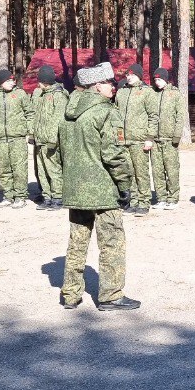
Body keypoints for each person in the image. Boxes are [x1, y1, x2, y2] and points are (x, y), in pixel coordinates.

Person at [58, 62, 138, 311]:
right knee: (111, 242)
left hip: (76, 189)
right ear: (96, 86)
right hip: (103, 191)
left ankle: (70, 294)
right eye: (108, 83)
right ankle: (111, 296)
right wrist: (125, 185)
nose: (113, 86)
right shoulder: (105, 112)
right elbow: (114, 155)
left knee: (77, 242)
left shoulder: (68, 113)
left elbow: (61, 152)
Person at [0, 68, 34, 209]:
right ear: (1, 82)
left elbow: (30, 113)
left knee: (19, 169)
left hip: (17, 139)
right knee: (3, 169)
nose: (12, 83)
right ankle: (8, 196)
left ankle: (20, 197)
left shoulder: (20, 94)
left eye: (13, 80)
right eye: (9, 80)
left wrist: (31, 132)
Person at [113, 63, 159, 217]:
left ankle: (144, 202)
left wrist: (149, 138)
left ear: (139, 76)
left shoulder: (147, 92)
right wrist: (118, 137)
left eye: (132, 75)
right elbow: (116, 116)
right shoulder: (121, 92)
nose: (129, 77)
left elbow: (153, 116)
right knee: (128, 173)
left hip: (140, 140)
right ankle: (133, 202)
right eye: (127, 75)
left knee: (141, 173)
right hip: (124, 140)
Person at [31, 66, 68, 210]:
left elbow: (57, 119)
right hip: (40, 140)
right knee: (42, 171)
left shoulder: (59, 95)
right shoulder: (41, 95)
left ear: (45, 81)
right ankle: (47, 197)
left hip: (51, 141)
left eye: (39, 81)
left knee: (54, 170)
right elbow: (35, 116)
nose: (38, 84)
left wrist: (53, 140)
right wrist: (33, 134)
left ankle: (58, 197)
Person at [150, 68, 185, 211]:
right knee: (157, 170)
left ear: (166, 79)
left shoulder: (175, 94)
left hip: (169, 139)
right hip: (155, 139)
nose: (157, 82)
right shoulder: (152, 94)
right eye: (155, 80)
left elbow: (180, 116)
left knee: (171, 170)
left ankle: (173, 198)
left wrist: (176, 136)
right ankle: (161, 198)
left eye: (160, 79)